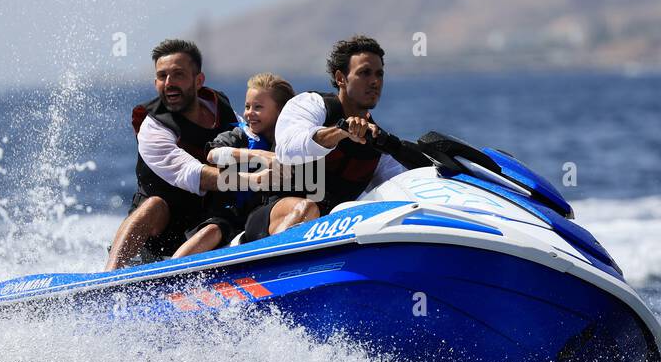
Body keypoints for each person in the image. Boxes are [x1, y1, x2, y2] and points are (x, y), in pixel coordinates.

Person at [106, 39, 270, 269]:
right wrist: (252, 180)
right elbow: (193, 174)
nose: (169, 83)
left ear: (198, 80)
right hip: (159, 236)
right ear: (156, 83)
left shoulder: (221, 108)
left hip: (206, 220)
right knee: (155, 205)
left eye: (178, 74)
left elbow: (250, 141)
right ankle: (110, 276)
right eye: (162, 77)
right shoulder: (154, 128)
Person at [246, 34, 428, 242]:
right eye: (364, 73)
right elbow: (288, 150)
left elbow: (400, 188)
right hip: (271, 218)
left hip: (331, 233)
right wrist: (341, 132)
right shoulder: (310, 105)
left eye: (379, 74)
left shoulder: (377, 142)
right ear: (341, 78)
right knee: (308, 208)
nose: (375, 81)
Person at [171, 72, 295, 257]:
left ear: (280, 111)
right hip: (227, 216)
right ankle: (169, 272)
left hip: (261, 216)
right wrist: (258, 155)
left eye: (258, 107)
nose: (249, 113)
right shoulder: (238, 136)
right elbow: (214, 155)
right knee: (212, 231)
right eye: (247, 106)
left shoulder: (291, 143)